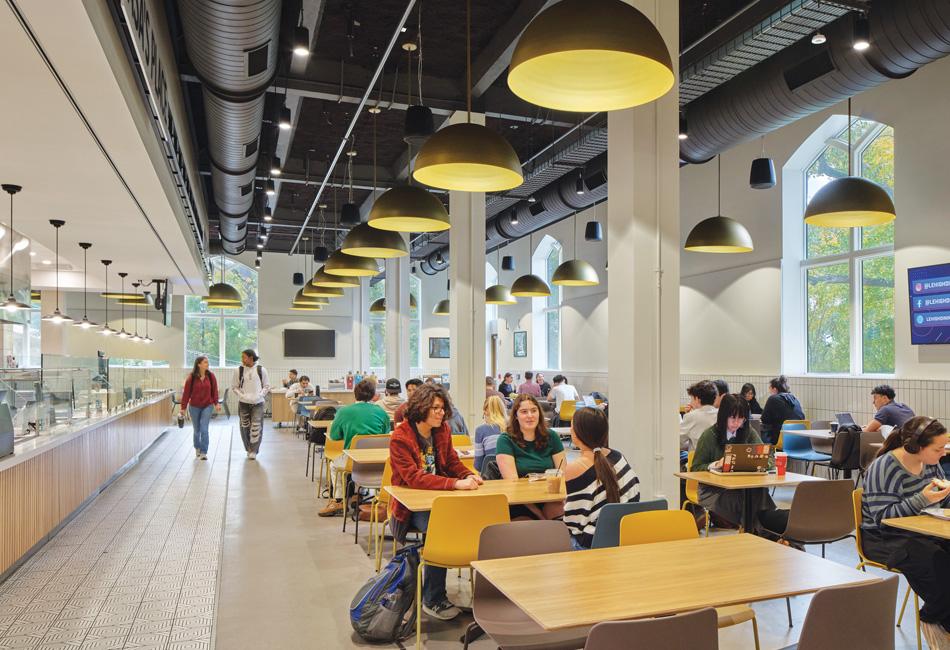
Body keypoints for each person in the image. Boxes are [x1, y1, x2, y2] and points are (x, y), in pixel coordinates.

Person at [388, 384, 482, 621]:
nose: (441, 413)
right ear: (422, 408)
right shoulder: (401, 437)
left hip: (442, 497)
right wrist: (454, 484)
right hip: (410, 508)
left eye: (443, 408)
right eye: (436, 408)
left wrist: (467, 475)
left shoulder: (442, 430)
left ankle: (481, 593)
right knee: (439, 527)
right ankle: (432, 598)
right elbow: (412, 477)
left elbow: (451, 462)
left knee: (476, 521)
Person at [862, 417, 950, 647]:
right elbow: (882, 518)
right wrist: (922, 499)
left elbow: (940, 501)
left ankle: (940, 617)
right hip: (883, 538)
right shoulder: (885, 467)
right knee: (937, 563)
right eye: (938, 448)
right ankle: (933, 618)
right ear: (916, 447)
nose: (944, 453)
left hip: (923, 531)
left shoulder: (930, 463)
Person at [690, 394, 788, 536]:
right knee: (745, 501)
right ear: (723, 416)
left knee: (757, 492)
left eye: (741, 419)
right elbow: (695, 469)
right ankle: (771, 527)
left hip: (745, 487)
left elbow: (769, 458)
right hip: (714, 491)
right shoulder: (709, 436)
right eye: (732, 418)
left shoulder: (748, 432)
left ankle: (765, 528)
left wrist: (756, 463)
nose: (736, 423)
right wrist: (716, 464)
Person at [563, 408, 640, 550]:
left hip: (593, 542)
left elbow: (573, 524)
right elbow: (635, 494)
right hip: (626, 535)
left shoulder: (575, 468)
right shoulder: (618, 457)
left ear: (577, 434)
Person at [320, 379, 391, 517]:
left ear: (355, 394)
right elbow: (385, 435)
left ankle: (339, 500)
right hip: (378, 462)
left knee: (335, 466)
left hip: (352, 461)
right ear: (372, 395)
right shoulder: (381, 412)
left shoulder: (344, 411)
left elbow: (334, 436)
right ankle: (358, 494)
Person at [496, 395, 566, 520]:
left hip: (549, 497)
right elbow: (513, 485)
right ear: (516, 416)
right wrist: (540, 516)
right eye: (524, 412)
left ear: (539, 413)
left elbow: (563, 475)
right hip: (520, 501)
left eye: (534, 410)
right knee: (529, 530)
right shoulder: (505, 440)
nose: (530, 415)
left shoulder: (552, 436)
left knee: (561, 524)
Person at [231, 349, 270, 460]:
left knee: (256, 427)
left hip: (258, 403)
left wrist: (260, 395)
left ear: (251, 358)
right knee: (245, 426)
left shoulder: (261, 370)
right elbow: (234, 387)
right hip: (243, 403)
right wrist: (242, 396)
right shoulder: (238, 370)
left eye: (244, 357)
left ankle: (254, 450)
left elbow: (267, 386)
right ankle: (248, 448)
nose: (242, 359)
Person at [180, 355, 220, 460]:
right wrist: (183, 408)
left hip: (207, 405)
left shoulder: (211, 376)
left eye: (207, 362)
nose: (208, 364)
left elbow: (215, 391)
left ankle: (203, 452)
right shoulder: (191, 378)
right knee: (197, 430)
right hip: (194, 407)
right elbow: (186, 394)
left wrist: (216, 403)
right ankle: (197, 447)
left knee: (204, 428)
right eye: (205, 362)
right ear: (199, 364)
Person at [760, 375, 805, 446]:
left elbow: (764, 419)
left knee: (762, 428)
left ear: (774, 389)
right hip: (800, 437)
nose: (769, 391)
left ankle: (767, 452)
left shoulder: (773, 398)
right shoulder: (794, 398)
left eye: (770, 388)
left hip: (781, 438)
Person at [680, 380, 718, 452]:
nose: (690, 402)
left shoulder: (691, 416)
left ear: (697, 399)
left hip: (698, 460)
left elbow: (678, 441)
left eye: (691, 399)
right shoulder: (720, 413)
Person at [474, 395, 507, 472]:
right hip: (513, 475)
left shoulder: (480, 430)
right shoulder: (513, 427)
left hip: (490, 476)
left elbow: (478, 466)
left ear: (485, 411)